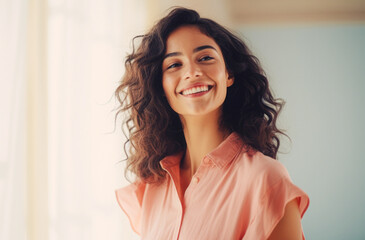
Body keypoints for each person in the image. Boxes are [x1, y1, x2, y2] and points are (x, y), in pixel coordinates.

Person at [115, 7, 309, 240]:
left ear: (228, 74)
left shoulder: (267, 180)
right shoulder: (151, 186)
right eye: (174, 65)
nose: (192, 72)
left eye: (205, 58)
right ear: (161, 86)